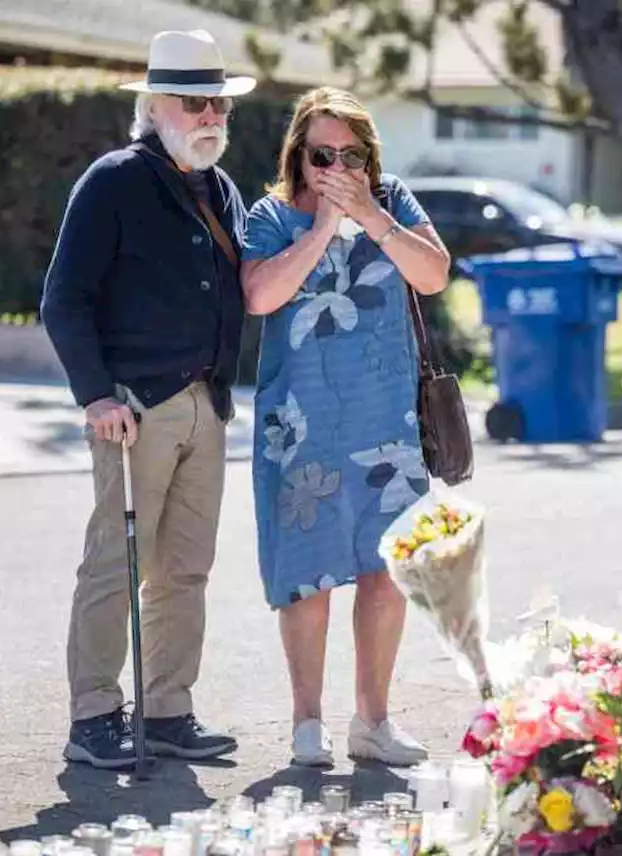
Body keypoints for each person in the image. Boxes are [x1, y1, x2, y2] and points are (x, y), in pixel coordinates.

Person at [40, 29, 251, 769]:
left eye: (219, 104)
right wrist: (96, 396)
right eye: (196, 104)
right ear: (156, 105)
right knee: (114, 565)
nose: (211, 118)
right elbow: (63, 300)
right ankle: (94, 715)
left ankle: (167, 710)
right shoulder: (114, 179)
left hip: (207, 403)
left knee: (186, 570)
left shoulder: (221, 187)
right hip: (134, 407)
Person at [240, 87, 452, 767]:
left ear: (370, 157)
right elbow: (260, 295)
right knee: (307, 575)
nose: (334, 164)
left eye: (349, 154)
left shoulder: (394, 202)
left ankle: (373, 721)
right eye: (321, 153)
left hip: (385, 420)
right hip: (300, 425)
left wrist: (370, 216)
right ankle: (308, 723)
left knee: (384, 572)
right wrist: (326, 229)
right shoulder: (272, 214)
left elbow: (435, 275)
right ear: (298, 156)